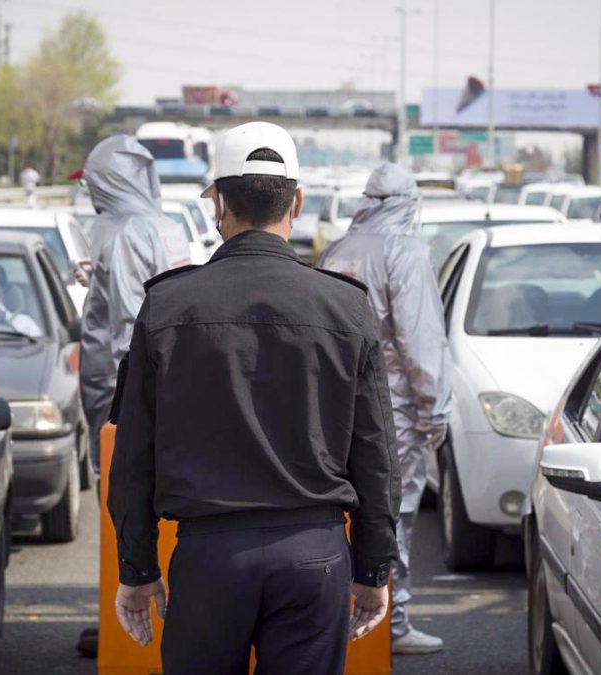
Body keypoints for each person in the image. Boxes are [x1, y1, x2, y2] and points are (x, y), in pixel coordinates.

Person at [108, 121, 400, 675]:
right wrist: (373, 568)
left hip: (209, 557)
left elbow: (134, 454)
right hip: (315, 554)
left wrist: (137, 567)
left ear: (217, 204)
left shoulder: (168, 307)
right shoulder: (347, 308)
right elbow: (377, 455)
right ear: (297, 201)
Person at [318, 162, 454, 655]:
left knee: (341, 516)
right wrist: (433, 409)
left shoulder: (337, 251)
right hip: (391, 411)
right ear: (408, 204)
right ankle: (388, 626)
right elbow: (420, 339)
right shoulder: (406, 252)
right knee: (395, 515)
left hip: (332, 413)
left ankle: (339, 621)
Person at [75, 134, 193, 657]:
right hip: (167, 388)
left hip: (123, 394)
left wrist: (131, 406)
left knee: (123, 506)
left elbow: (128, 325)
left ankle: (122, 624)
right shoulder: (162, 226)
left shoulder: (122, 232)